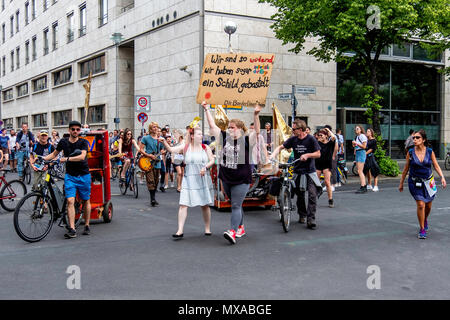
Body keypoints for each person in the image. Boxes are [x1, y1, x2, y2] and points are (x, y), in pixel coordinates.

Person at [202, 101, 262, 245]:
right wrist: (206, 109)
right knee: (236, 204)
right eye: (229, 128)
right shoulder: (224, 137)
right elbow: (212, 126)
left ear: (240, 129)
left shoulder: (247, 140)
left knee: (235, 206)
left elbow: (257, 131)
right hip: (226, 178)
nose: (229, 130)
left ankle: (233, 231)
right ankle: (241, 227)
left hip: (242, 179)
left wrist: (256, 114)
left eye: (232, 128)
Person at [159, 126, 215, 239]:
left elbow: (212, 160)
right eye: (199, 134)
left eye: (201, 134)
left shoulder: (206, 147)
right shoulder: (185, 147)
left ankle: (207, 228)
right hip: (189, 179)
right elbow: (170, 149)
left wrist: (205, 167)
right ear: (193, 136)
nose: (201, 136)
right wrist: (164, 141)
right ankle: (180, 230)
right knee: (183, 204)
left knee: (205, 205)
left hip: (202, 178)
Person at [44, 121, 92, 239]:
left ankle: (86, 224)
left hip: (83, 175)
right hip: (70, 176)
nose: (75, 131)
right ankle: (72, 229)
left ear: (79, 131)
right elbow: (54, 154)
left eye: (77, 129)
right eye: (73, 129)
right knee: (70, 201)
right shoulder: (63, 142)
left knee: (86, 200)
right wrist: (41, 158)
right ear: (69, 130)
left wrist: (66, 159)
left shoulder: (83, 142)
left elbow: (82, 156)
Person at [271, 119, 321, 228]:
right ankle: (302, 215)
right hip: (298, 171)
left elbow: (318, 154)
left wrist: (307, 155)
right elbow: (281, 147)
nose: (292, 131)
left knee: (312, 195)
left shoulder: (311, 139)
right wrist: (273, 155)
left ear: (301, 129)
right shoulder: (293, 139)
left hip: (309, 172)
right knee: (300, 195)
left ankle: (311, 219)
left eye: (294, 129)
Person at [399, 129, 446, 239]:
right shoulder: (410, 152)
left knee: (428, 206)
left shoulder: (430, 151)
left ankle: (424, 219)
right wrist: (401, 183)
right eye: (414, 138)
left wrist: (442, 177)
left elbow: (436, 165)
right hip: (414, 182)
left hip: (429, 182)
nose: (414, 139)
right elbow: (406, 169)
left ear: (423, 139)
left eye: (417, 138)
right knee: (421, 204)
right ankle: (422, 229)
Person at [139, 122, 164, 206]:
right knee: (150, 180)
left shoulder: (160, 139)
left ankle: (153, 197)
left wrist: (163, 151)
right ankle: (152, 199)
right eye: (154, 127)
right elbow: (141, 149)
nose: (155, 128)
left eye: (156, 127)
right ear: (150, 129)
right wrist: (148, 155)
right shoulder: (145, 138)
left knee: (156, 180)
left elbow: (162, 150)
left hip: (157, 162)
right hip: (148, 162)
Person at [315, 128, 336, 208]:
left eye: (321, 135)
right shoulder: (317, 143)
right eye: (319, 135)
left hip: (327, 165)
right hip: (318, 164)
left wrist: (328, 130)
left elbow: (333, 137)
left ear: (326, 136)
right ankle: (315, 198)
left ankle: (330, 199)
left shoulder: (330, 143)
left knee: (327, 182)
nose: (319, 136)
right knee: (316, 182)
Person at [353, 125, 368, 193]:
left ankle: (363, 186)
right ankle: (363, 186)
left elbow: (364, 146)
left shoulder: (362, 136)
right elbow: (357, 146)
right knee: (360, 171)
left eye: (357, 128)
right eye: (355, 129)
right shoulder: (357, 137)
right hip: (359, 153)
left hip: (361, 153)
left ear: (361, 130)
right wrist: (354, 145)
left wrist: (356, 143)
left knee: (360, 171)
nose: (355, 130)